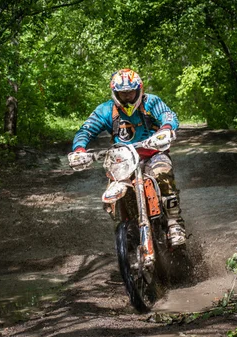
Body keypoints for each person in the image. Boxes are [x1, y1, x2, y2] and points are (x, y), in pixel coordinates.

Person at [68, 68, 186, 246]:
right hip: (123, 160)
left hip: (153, 153)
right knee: (114, 193)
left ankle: (174, 223)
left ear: (138, 89)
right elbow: (86, 130)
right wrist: (79, 149)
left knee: (163, 174)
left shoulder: (151, 102)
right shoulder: (106, 110)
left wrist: (166, 128)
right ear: (115, 93)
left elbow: (167, 115)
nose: (128, 97)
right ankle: (125, 228)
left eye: (130, 92)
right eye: (123, 94)